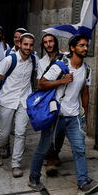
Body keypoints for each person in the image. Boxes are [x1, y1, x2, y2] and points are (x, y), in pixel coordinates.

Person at [29, 34, 98, 195]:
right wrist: (62, 81)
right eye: (81, 45)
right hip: (56, 116)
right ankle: (34, 177)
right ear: (72, 48)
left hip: (74, 117)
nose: (85, 48)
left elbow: (85, 93)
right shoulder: (61, 65)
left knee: (80, 149)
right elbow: (41, 83)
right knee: (43, 148)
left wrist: (85, 115)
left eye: (86, 46)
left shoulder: (87, 69)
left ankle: (83, 184)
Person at [0, 33, 37, 177]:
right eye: (25, 44)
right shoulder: (9, 60)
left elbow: (48, 63)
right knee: (4, 133)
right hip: (7, 100)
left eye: (30, 45)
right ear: (19, 44)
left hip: (24, 102)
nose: (28, 47)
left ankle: (16, 164)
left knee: (20, 132)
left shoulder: (34, 60)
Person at [37, 33, 67, 177]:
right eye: (45, 42)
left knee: (60, 131)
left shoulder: (64, 57)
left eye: (51, 41)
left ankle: (55, 154)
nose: (48, 44)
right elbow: (40, 84)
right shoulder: (41, 62)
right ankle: (49, 161)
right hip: (48, 100)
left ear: (55, 43)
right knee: (48, 130)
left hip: (63, 99)